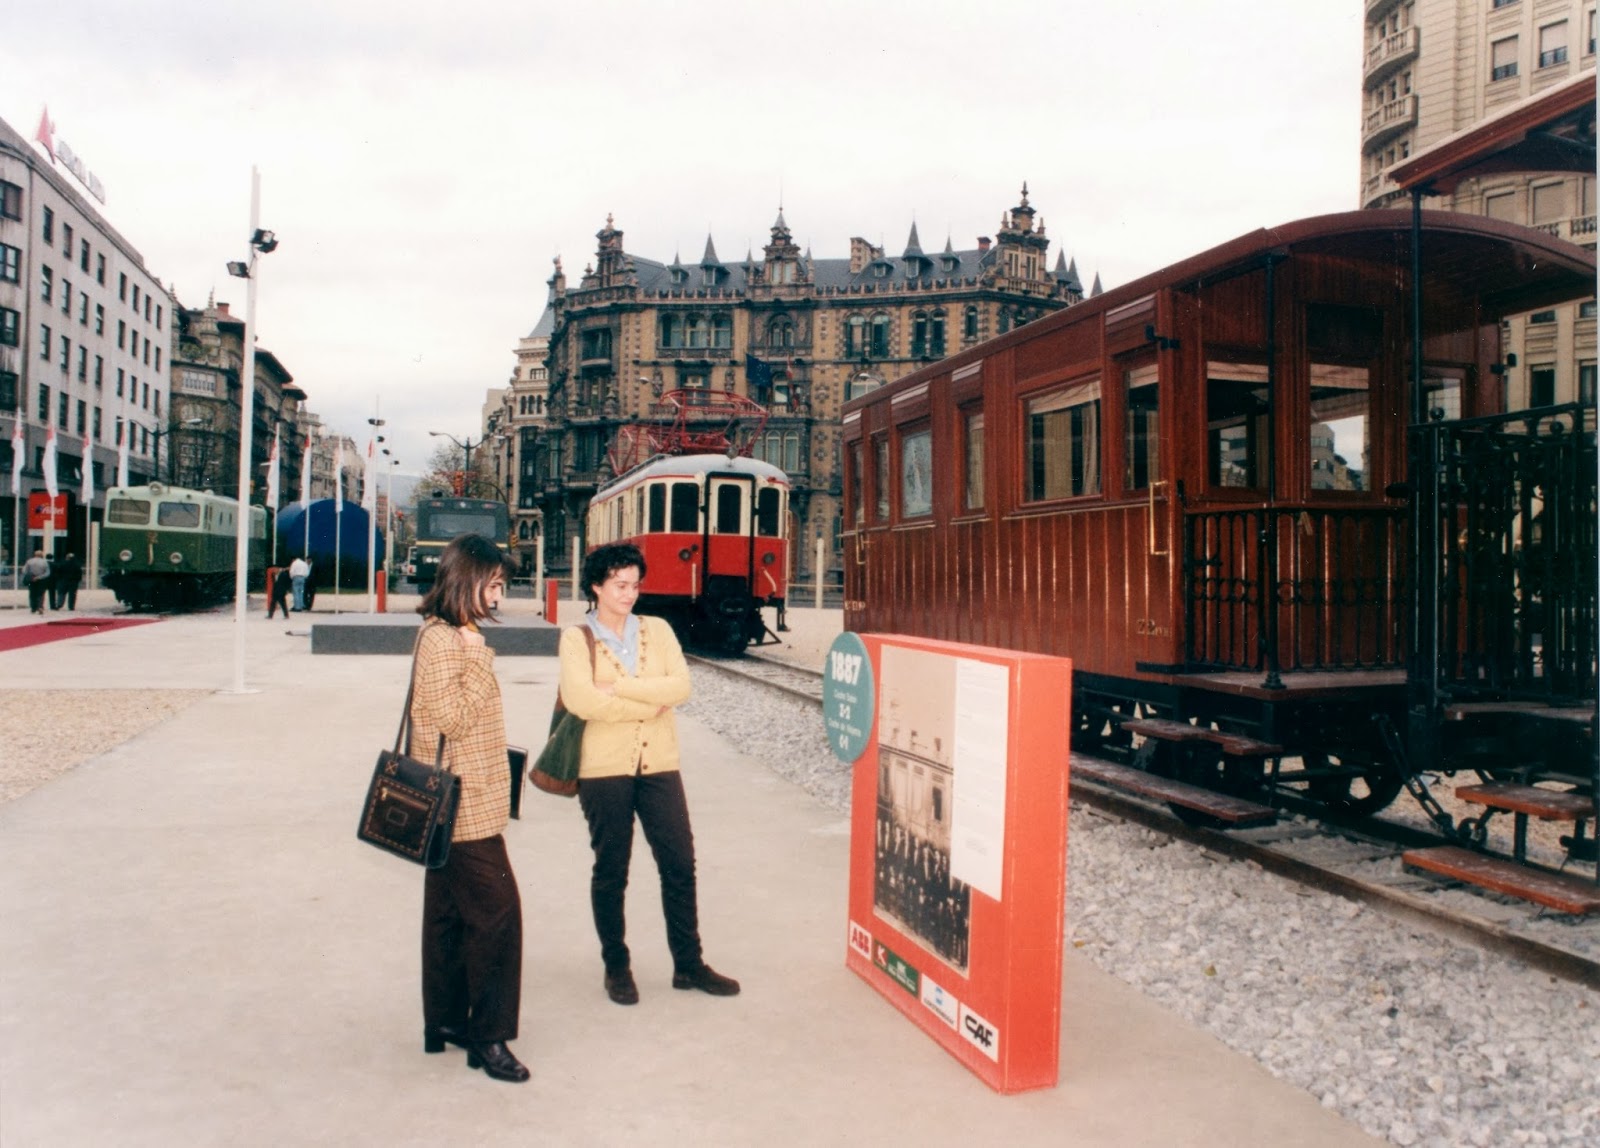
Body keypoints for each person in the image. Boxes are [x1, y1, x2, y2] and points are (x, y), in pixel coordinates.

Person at [558, 542, 740, 1006]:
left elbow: (680, 686)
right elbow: (581, 701)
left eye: (635, 585)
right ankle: (616, 966)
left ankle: (689, 964)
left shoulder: (657, 630)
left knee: (679, 863)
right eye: (619, 585)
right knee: (612, 868)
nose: (630, 594)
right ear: (596, 586)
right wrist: (646, 700)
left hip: (659, 763)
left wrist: (617, 686)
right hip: (603, 769)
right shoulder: (575, 638)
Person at [410, 534, 528, 1083]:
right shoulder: (443, 640)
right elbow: (451, 719)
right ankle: (489, 1037)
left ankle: (448, 1022)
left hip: (464, 792)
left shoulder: (458, 633)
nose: (501, 595)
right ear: (468, 580)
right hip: (461, 803)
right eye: (495, 584)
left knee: (449, 916)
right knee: (499, 917)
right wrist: (478, 659)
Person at [22, 549, 51, 616]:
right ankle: (40, 606)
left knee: (32, 594)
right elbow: (47, 573)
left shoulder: (29, 561)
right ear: (42, 555)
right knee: (41, 594)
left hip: (31, 580)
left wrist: (31, 577)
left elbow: (24, 570)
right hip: (41, 581)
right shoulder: (45, 562)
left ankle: (33, 607)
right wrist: (39, 577)